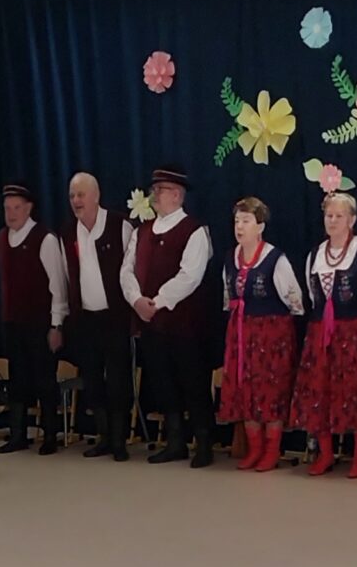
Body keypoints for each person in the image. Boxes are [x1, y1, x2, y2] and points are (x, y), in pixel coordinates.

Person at [123, 163, 217, 467]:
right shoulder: (142, 232)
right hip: (153, 325)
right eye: (154, 189)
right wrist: (136, 300)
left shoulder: (194, 231)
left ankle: (203, 442)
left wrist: (157, 302)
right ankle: (175, 442)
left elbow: (190, 276)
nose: (154, 195)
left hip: (185, 325)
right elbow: (126, 270)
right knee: (163, 382)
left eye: (160, 190)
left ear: (176, 194)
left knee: (193, 383)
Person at [292, 190, 357, 479]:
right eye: (329, 215)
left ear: (352, 220)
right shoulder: (315, 254)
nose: (332, 221)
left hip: (355, 330)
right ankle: (325, 453)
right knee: (320, 388)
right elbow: (314, 297)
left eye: (339, 216)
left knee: (356, 391)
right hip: (321, 332)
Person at [218, 196, 304, 475]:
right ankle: (254, 448)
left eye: (246, 221)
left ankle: (271, 449)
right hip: (242, 332)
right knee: (246, 390)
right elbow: (228, 297)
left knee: (270, 390)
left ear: (260, 226)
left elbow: (295, 300)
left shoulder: (275, 259)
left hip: (271, 333)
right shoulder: (231, 258)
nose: (240, 227)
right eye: (237, 221)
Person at [62, 171, 136, 461]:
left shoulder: (119, 225)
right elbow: (67, 276)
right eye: (72, 196)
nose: (76, 200)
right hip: (86, 319)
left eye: (81, 194)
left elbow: (131, 271)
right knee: (92, 379)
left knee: (118, 380)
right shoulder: (68, 232)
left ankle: (119, 440)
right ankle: (103, 437)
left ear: (96, 196)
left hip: (115, 317)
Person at [0, 181, 67, 455]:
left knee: (44, 379)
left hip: (39, 322)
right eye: (7, 208)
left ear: (29, 208)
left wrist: (56, 324)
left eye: (16, 208)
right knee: (18, 379)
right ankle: (18, 434)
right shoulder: (2, 238)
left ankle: (50, 435)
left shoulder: (44, 239)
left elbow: (58, 286)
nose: (11, 214)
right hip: (13, 321)